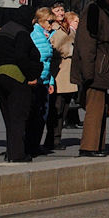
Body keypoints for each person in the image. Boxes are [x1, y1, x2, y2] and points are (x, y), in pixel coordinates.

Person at [73, 0, 109, 157]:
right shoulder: (94, 10)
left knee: (100, 109)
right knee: (94, 109)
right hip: (95, 71)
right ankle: (89, 147)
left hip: (101, 70)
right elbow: (87, 44)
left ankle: (97, 146)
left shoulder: (104, 12)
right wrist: (88, 74)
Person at [0, 12, 42, 162]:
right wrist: (32, 75)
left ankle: (11, 151)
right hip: (15, 77)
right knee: (19, 117)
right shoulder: (21, 33)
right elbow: (21, 57)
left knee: (9, 117)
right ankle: (17, 154)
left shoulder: (5, 29)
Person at [44, 8, 79, 151]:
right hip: (59, 72)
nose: (60, 12)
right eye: (57, 10)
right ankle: (52, 139)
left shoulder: (67, 30)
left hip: (67, 73)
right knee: (56, 108)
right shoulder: (56, 30)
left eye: (62, 10)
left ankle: (56, 138)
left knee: (63, 108)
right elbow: (52, 47)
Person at [25, 8, 56, 157]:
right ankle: (31, 145)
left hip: (44, 79)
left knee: (42, 115)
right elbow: (38, 59)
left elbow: (49, 62)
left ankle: (35, 144)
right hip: (37, 80)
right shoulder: (36, 35)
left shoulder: (46, 35)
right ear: (41, 21)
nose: (52, 24)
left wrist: (50, 81)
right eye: (50, 21)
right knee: (35, 115)